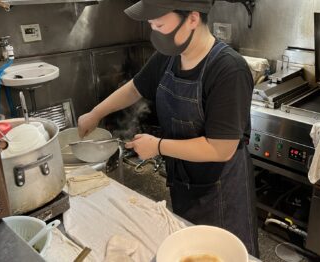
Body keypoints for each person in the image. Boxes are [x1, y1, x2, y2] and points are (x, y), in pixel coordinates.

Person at [78, 0, 258, 256]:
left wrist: (158, 146)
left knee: (225, 254)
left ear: (193, 19)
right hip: (183, 182)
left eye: (159, 24)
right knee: (189, 250)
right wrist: (96, 113)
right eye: (151, 25)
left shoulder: (229, 69)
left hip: (221, 190)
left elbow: (221, 149)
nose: (154, 32)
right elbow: (135, 88)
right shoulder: (168, 57)